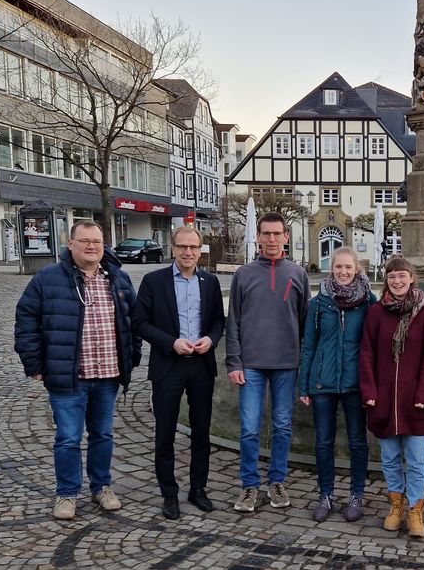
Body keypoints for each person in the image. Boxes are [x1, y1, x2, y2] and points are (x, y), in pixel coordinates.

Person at [14, 220, 142, 521]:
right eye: (84, 241)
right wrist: (34, 363)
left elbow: (133, 323)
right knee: (68, 438)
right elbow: (26, 321)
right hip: (69, 376)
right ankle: (67, 493)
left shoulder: (118, 279)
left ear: (104, 245)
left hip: (108, 375)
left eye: (97, 241)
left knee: (102, 434)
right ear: (70, 244)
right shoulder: (48, 278)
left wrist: (132, 357)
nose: (91, 247)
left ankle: (101, 487)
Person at [132, 227, 225, 520]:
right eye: (183, 247)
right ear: (173, 248)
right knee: (165, 433)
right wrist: (171, 343)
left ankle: (198, 489)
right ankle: (169, 494)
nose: (188, 252)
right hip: (168, 364)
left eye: (194, 247)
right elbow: (139, 323)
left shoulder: (209, 282)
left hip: (200, 364)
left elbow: (218, 322)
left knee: (201, 432)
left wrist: (211, 339)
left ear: (200, 250)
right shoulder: (154, 281)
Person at [226, 212, 310, 513]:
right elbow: (232, 321)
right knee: (249, 428)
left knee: (282, 426)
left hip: (286, 364)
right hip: (250, 364)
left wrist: (306, 367)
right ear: (258, 237)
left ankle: (276, 480)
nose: (272, 239)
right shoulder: (244, 274)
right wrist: (233, 362)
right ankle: (249, 485)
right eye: (266, 234)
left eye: (277, 234)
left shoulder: (298, 274)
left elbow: (304, 324)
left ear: (286, 236)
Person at [359, 256, 424, 538]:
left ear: (411, 278)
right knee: (390, 458)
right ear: (387, 280)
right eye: (392, 276)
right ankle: (396, 505)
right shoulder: (376, 312)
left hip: (414, 401)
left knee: (416, 460)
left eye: (402, 275)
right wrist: (368, 391)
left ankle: (415, 510)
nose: (397, 280)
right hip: (383, 400)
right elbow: (366, 353)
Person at [298, 247, 376, 523]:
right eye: (338, 267)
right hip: (324, 382)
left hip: (356, 383)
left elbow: (375, 345)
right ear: (332, 269)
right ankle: (326, 495)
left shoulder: (368, 301)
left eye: (348, 267)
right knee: (323, 442)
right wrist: (304, 384)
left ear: (357, 269)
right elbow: (309, 345)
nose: (343, 272)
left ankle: (356, 495)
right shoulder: (320, 303)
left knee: (357, 442)